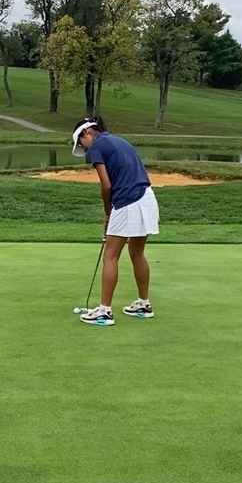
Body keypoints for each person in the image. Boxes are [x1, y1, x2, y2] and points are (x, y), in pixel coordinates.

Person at [71, 117, 160, 326]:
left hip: (128, 202)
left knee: (110, 256)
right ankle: (143, 304)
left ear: (87, 133)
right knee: (137, 253)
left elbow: (106, 185)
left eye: (80, 144)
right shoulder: (120, 141)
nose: (83, 149)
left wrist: (107, 211)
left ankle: (104, 311)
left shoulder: (97, 147)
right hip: (147, 198)